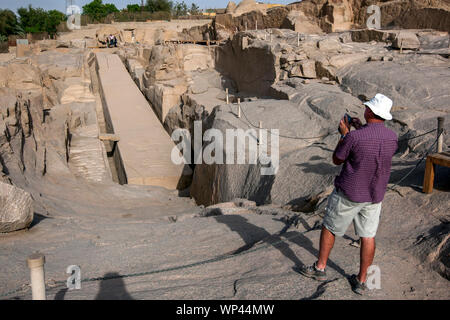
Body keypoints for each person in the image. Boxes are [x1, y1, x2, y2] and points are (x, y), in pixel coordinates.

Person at [298, 93, 398, 295]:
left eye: (367, 107)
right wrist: (360, 128)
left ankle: (320, 268)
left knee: (329, 227)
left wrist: (344, 134)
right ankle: (361, 281)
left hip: (350, 193)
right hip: (375, 195)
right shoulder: (392, 137)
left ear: (369, 111)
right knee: (368, 236)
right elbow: (373, 145)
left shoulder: (354, 137)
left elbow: (337, 159)